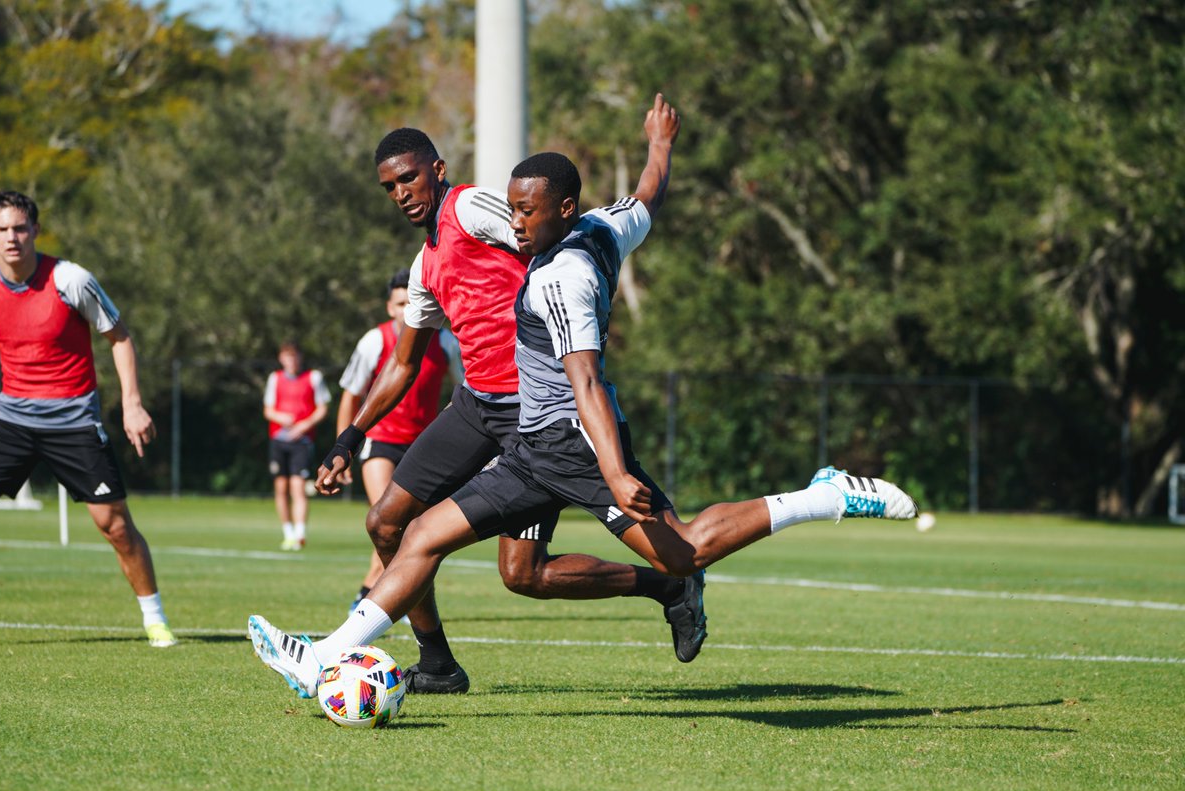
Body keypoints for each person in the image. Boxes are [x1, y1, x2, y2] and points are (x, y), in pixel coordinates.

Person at [248, 94, 918, 698]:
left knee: (681, 551)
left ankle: (823, 496)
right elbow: (646, 199)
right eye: (511, 208)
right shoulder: (600, 228)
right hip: (524, 439)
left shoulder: (553, 276)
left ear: (560, 209)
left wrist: (617, 471)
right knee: (417, 534)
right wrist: (660, 146)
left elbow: (586, 380)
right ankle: (326, 658)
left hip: (571, 440)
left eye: (524, 211)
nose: (511, 222)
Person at [254, 117, 706, 696]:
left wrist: (584, 298)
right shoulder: (424, 266)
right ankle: (438, 664)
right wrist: (350, 437)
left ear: (437, 171)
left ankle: (670, 587)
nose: (401, 194)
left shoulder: (472, 210)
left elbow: (543, 233)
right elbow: (401, 364)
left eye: (409, 179)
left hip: (536, 414)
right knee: (386, 522)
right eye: (389, 188)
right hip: (477, 407)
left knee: (524, 574)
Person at [0, 190, 177, 647]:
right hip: (11, 420)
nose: (12, 238)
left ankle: (155, 620)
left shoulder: (71, 279)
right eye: (2, 229)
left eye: (20, 227)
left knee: (114, 525)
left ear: (34, 230)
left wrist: (131, 404)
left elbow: (120, 338)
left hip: (73, 422)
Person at [337, 268, 461, 609]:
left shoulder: (446, 342)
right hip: (381, 443)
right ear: (389, 307)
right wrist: (341, 448)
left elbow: (465, 389)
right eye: (400, 303)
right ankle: (371, 600)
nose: (407, 309)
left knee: (410, 531)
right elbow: (350, 395)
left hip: (424, 448)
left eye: (413, 302)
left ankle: (381, 599)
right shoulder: (374, 341)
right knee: (390, 523)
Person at [263, 341, 330, 551]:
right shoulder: (275, 379)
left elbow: (322, 408)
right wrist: (281, 417)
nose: (291, 361)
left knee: (298, 487)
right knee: (281, 488)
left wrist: (304, 425)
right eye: (287, 357)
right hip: (279, 440)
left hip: (301, 441)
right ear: (281, 359)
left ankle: (300, 533)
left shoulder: (313, 377)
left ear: (300, 358)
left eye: (295, 356)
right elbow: (268, 410)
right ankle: (288, 533)